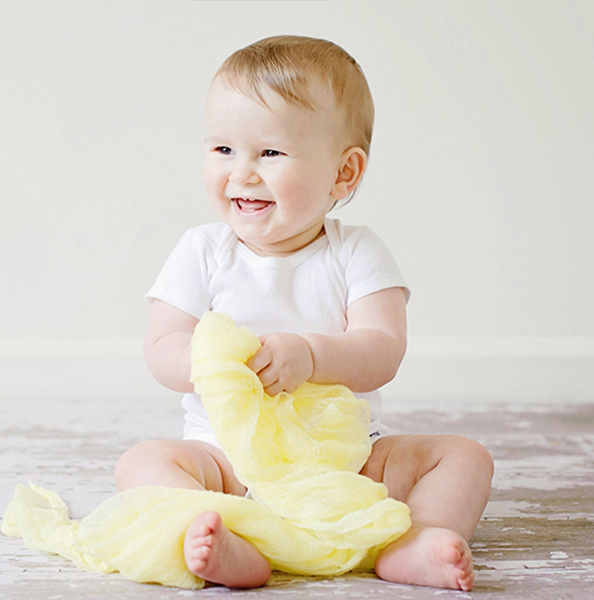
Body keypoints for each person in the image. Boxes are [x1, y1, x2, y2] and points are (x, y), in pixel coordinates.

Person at [114, 35, 494, 591]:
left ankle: (418, 540)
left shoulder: (355, 252)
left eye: (269, 153)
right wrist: (217, 366)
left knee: (465, 457)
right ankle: (229, 537)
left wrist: (311, 355)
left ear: (344, 173)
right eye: (223, 149)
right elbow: (161, 345)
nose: (241, 172)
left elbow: (382, 349)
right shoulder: (202, 251)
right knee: (141, 463)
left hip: (346, 461)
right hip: (227, 460)